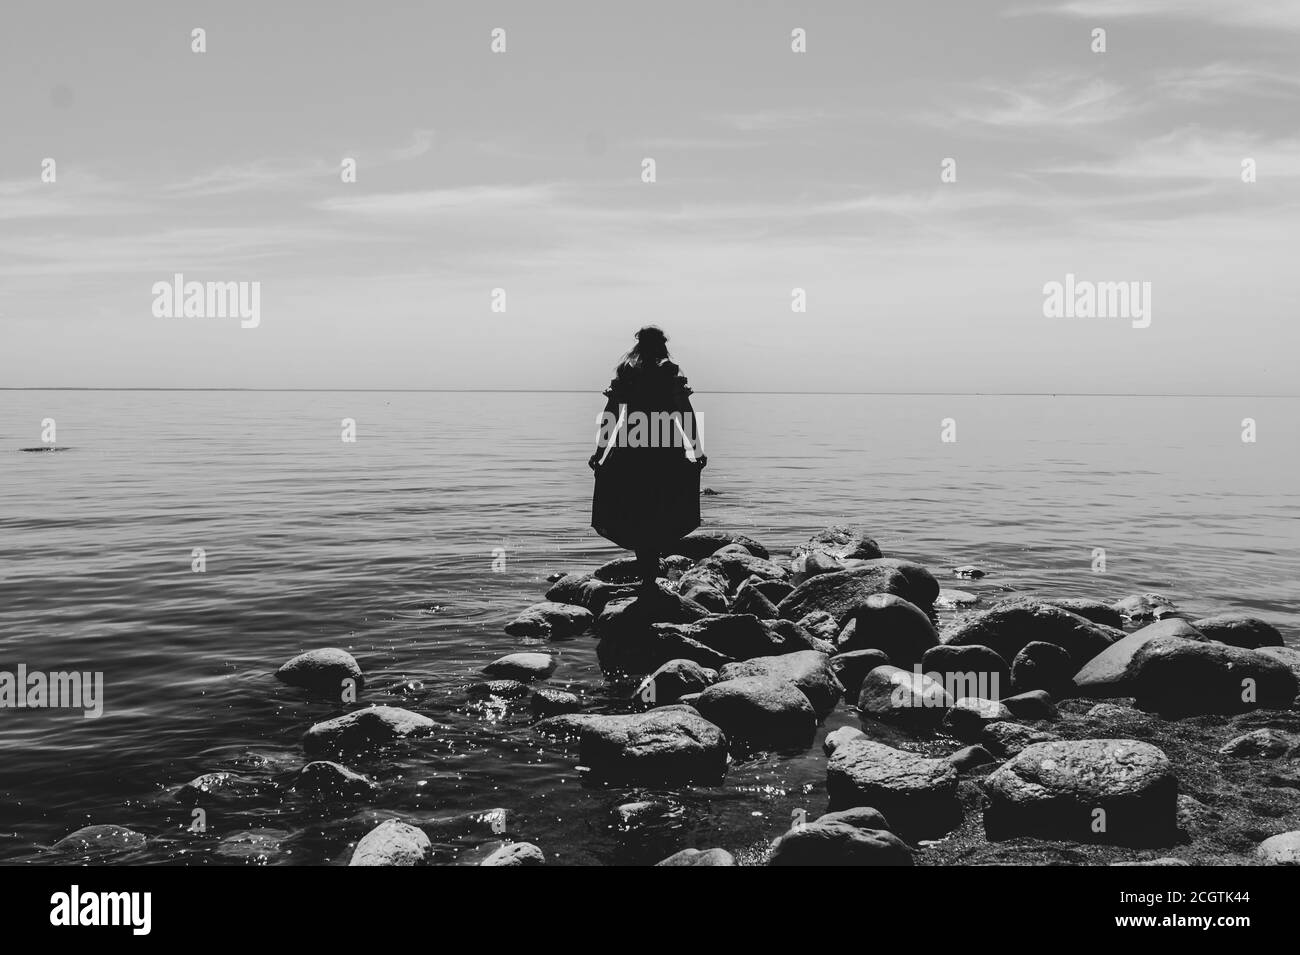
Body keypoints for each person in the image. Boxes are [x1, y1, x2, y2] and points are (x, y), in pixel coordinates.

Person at [589, 326, 707, 592]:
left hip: (631, 447)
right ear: (663, 346)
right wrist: (696, 450)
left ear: (638, 346)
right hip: (665, 446)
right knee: (660, 507)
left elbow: (611, 416)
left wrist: (600, 452)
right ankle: (650, 578)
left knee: (635, 508)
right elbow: (685, 415)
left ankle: (647, 577)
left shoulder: (627, 374)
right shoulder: (670, 373)